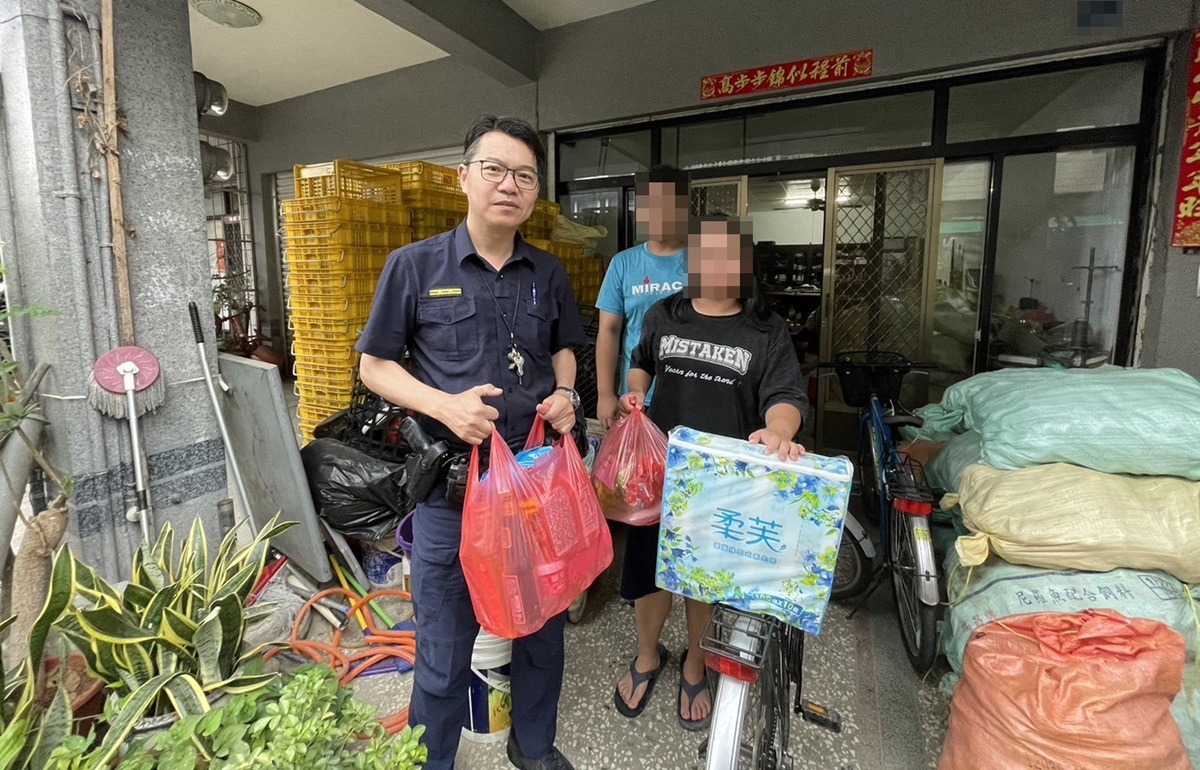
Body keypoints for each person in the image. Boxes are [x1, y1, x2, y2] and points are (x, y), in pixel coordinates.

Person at [357, 115, 585, 770]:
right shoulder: (415, 265)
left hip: (535, 489)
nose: (509, 185)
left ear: (535, 191)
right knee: (443, 650)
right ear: (464, 177)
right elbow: (374, 365)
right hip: (453, 495)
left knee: (542, 633)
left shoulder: (548, 272)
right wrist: (442, 406)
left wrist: (567, 393)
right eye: (495, 169)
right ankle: (432, 760)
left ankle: (532, 748)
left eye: (525, 176)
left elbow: (564, 348)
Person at [611, 214, 808, 731]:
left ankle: (694, 663)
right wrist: (635, 390)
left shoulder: (766, 330)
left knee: (702, 580)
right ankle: (648, 654)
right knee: (652, 573)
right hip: (661, 473)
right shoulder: (666, 313)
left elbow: (785, 395)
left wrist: (778, 431)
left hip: (724, 482)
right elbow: (641, 361)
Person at [594, 165, 689, 429]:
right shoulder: (623, 263)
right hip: (635, 400)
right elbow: (609, 330)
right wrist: (605, 394)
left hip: (691, 398)